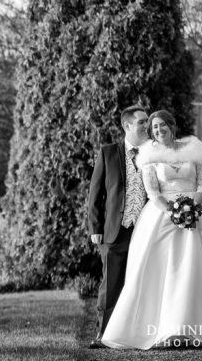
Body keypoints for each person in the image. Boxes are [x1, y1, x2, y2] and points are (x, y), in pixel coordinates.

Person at [100, 110, 202, 349]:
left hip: (197, 211)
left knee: (199, 269)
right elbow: (152, 191)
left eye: (162, 126)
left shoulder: (193, 148)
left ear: (172, 125)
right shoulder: (149, 154)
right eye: (154, 128)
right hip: (162, 216)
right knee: (164, 271)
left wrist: (192, 205)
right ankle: (169, 330)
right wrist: (174, 211)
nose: (158, 131)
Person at [86, 105, 149, 348]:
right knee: (110, 284)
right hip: (114, 230)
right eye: (142, 122)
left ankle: (137, 333)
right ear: (127, 125)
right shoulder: (109, 152)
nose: (146, 126)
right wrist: (95, 228)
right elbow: (95, 193)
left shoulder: (152, 153)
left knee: (141, 283)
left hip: (144, 231)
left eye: (146, 122)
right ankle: (103, 335)